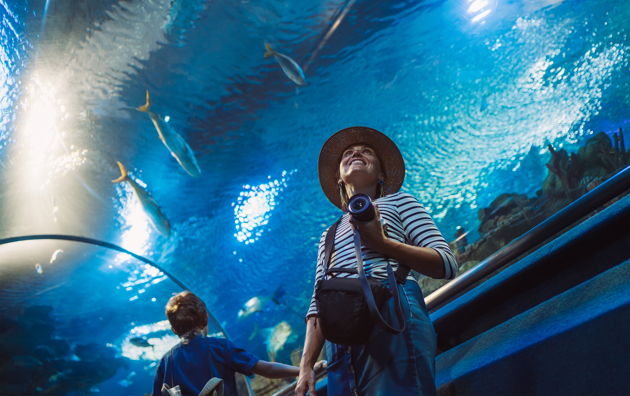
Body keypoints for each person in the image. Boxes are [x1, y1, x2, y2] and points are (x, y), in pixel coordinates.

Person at [296, 127, 458, 396]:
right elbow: (317, 304)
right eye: (348, 153)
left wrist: (383, 244)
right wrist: (306, 365)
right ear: (338, 178)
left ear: (381, 174)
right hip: (339, 333)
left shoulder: (400, 202)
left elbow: (447, 263)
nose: (356, 154)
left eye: (366, 152)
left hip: (391, 312)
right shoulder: (329, 234)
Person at [152, 291, 300, 396]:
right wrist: (302, 370)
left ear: (174, 330)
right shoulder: (219, 347)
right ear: (205, 318)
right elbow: (266, 369)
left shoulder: (166, 362)